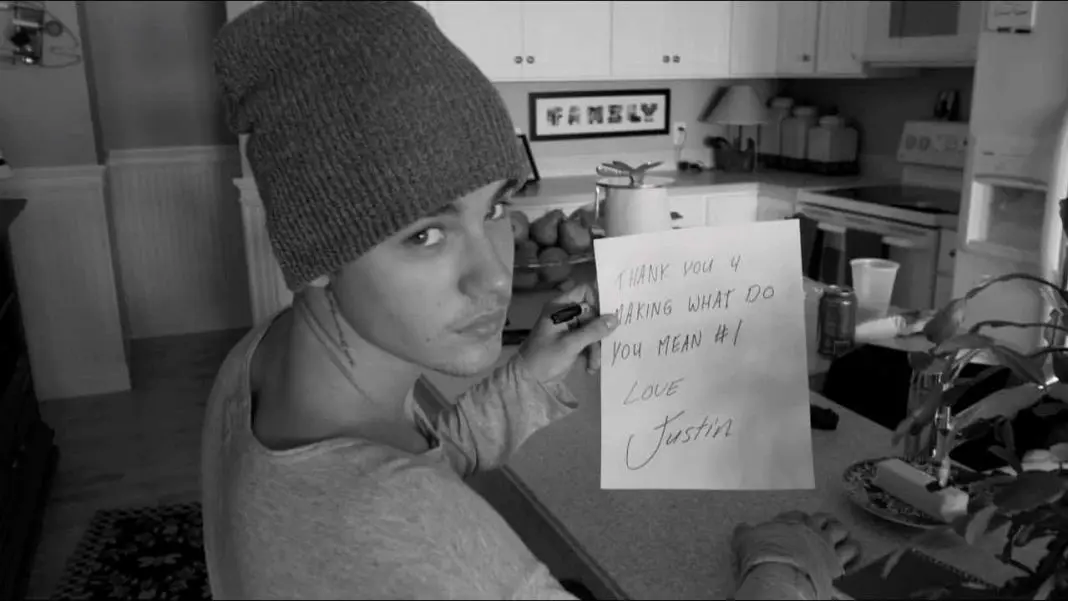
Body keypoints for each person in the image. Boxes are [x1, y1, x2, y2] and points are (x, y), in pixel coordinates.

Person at [201, 2, 861, 599]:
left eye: (495, 207)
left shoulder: (261, 360)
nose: (493, 276)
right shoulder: (423, 530)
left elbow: (413, 461)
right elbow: (404, 508)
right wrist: (781, 568)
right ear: (316, 252)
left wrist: (529, 376)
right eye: (425, 234)